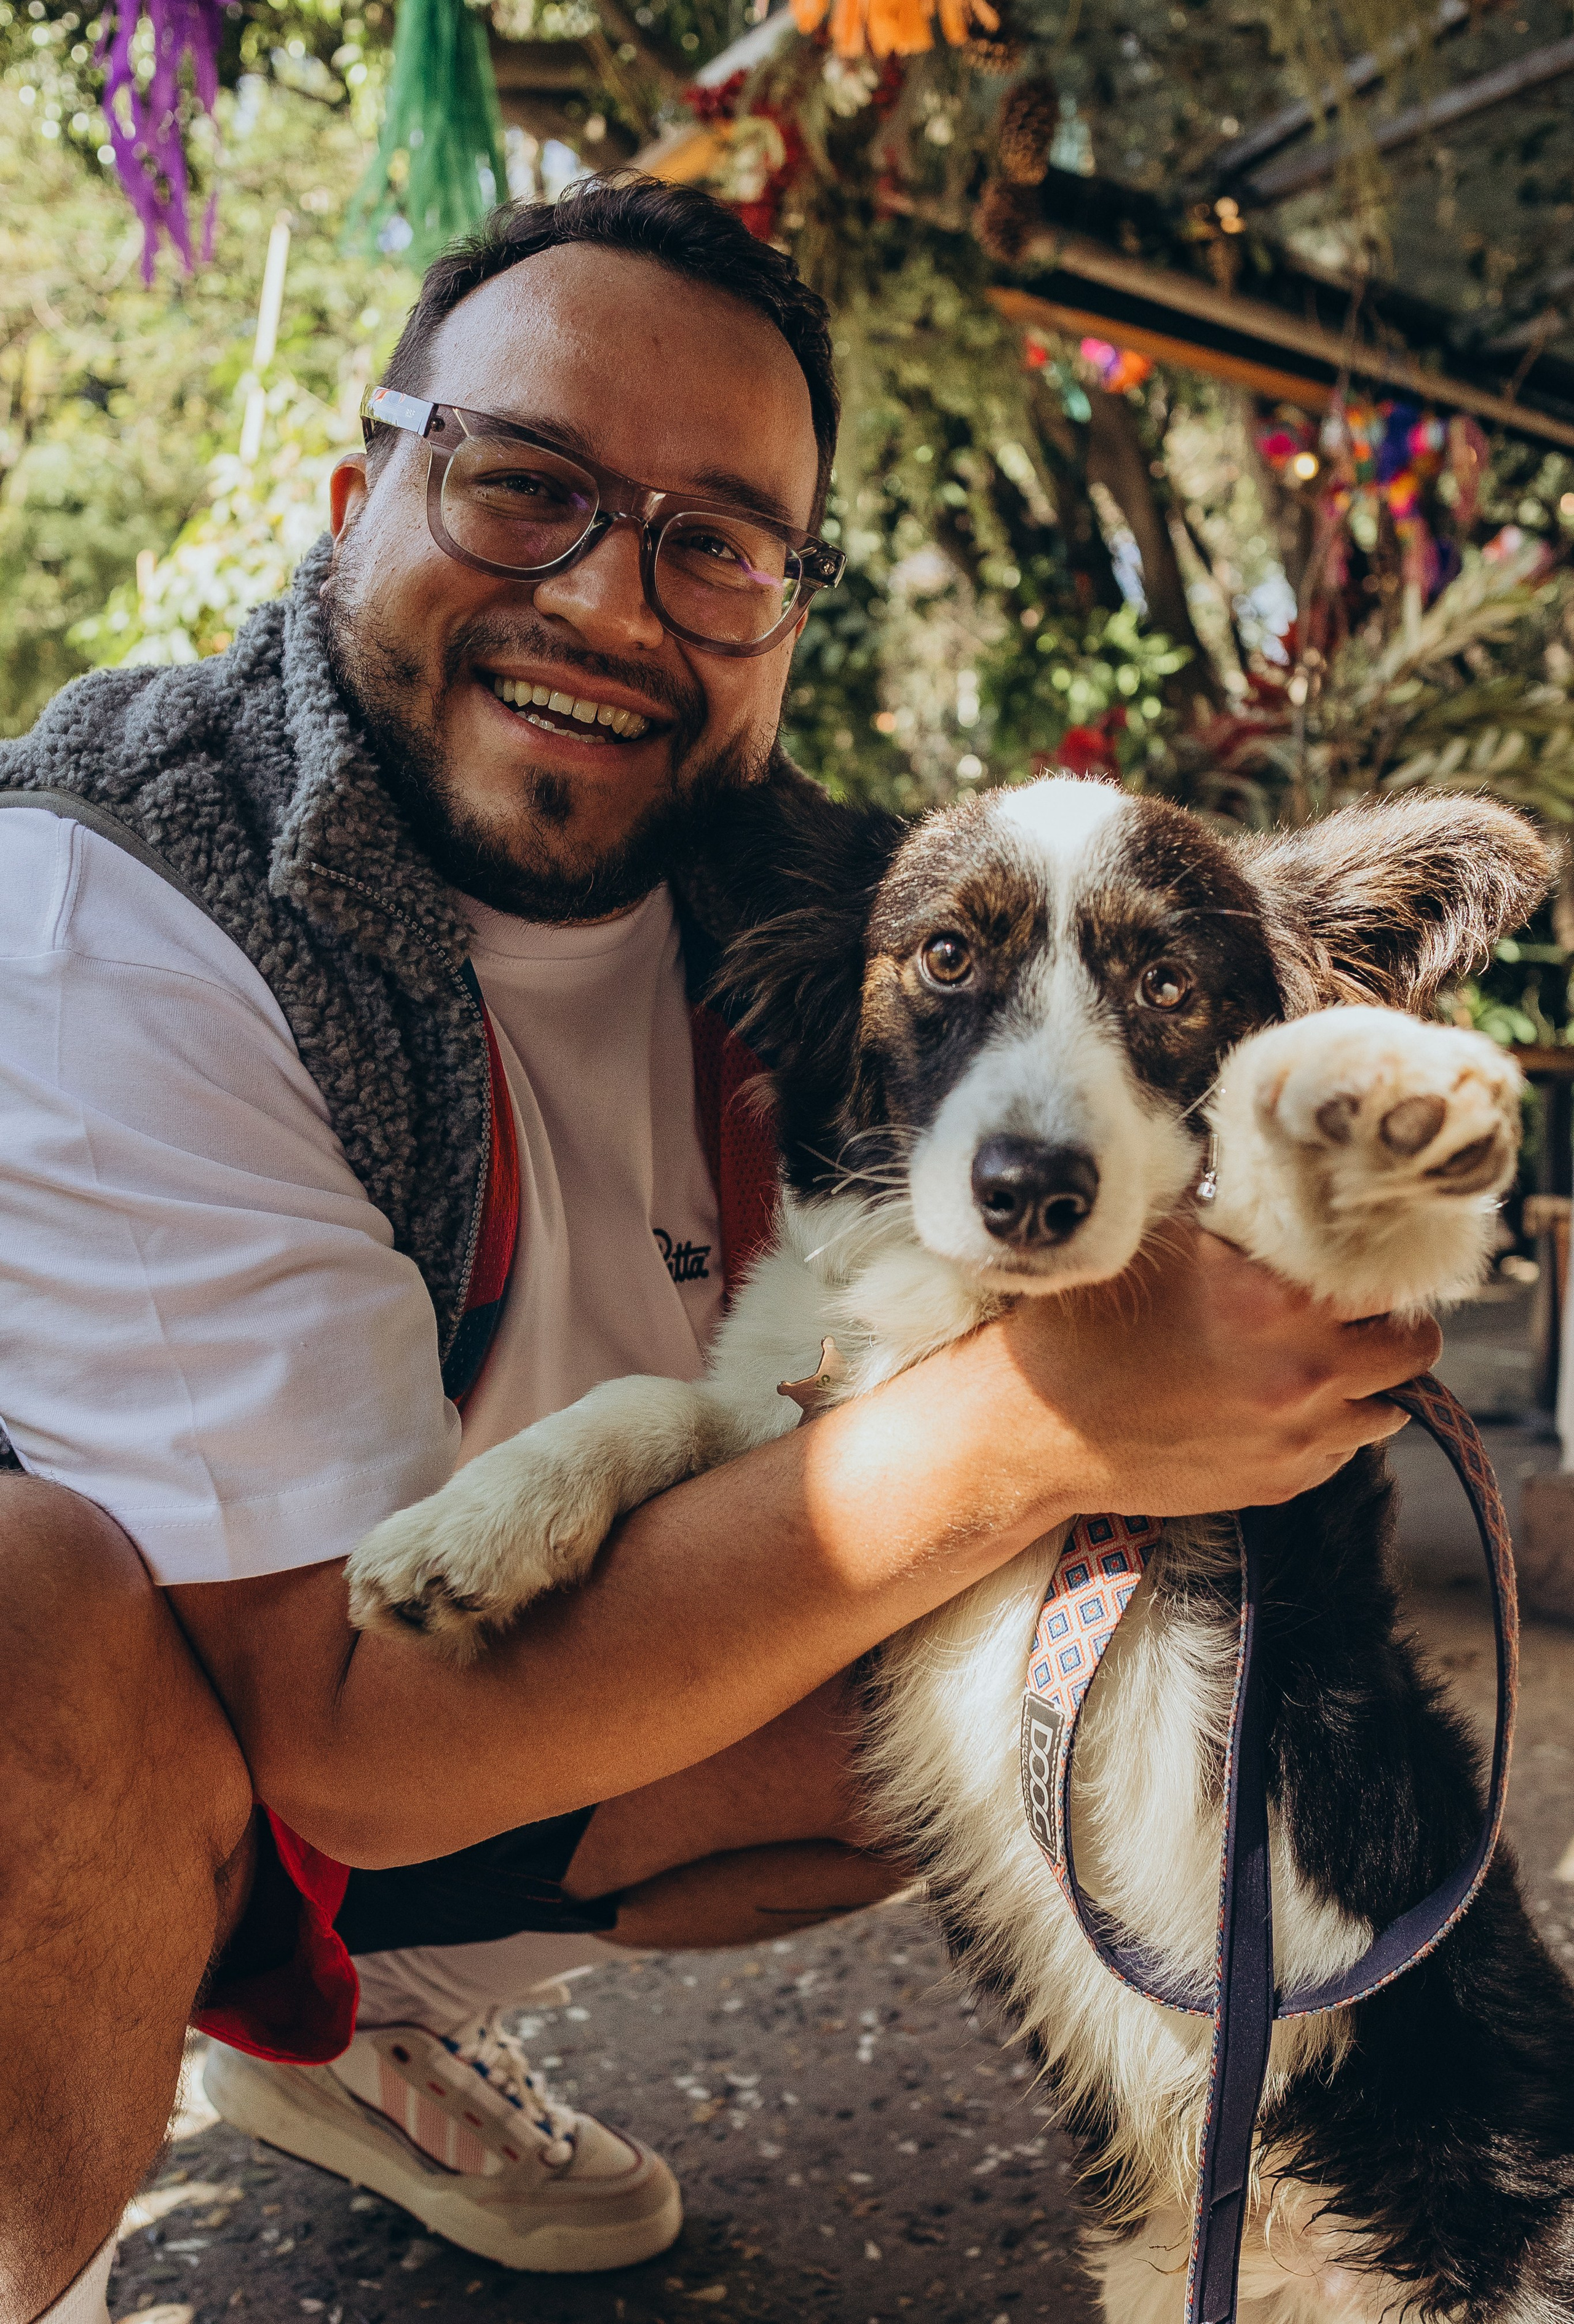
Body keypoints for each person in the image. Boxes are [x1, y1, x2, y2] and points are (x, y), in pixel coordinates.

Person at [0, 174, 1439, 2324]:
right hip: (237, 1725)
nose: (607, 598)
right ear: (354, 497)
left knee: (983, 1692)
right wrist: (1048, 1419)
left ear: (784, 609)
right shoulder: (117, 912)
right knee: (27, 1613)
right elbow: (349, 1736)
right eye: (523, 484)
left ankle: (355, 2030)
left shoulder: (806, 903)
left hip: (448, 1705)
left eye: (717, 542)